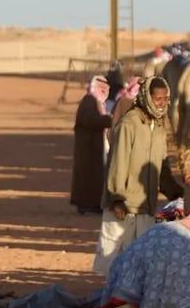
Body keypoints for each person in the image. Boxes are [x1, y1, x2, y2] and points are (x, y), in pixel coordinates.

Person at [93, 76, 175, 276]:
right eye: (158, 99)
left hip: (146, 206)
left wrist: (177, 192)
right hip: (123, 206)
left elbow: (162, 166)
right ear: (147, 97)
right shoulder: (129, 124)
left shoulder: (160, 127)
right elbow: (117, 162)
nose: (162, 103)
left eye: (165, 99)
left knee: (139, 264)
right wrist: (116, 199)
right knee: (113, 261)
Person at [70, 76, 112, 214]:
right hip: (88, 147)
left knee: (95, 176)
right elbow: (90, 120)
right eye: (102, 88)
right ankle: (87, 205)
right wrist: (110, 120)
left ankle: (93, 204)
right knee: (88, 176)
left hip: (92, 146)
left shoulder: (95, 101)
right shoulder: (89, 101)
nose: (105, 91)